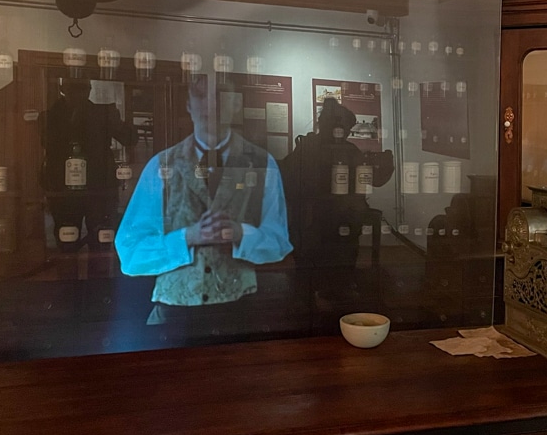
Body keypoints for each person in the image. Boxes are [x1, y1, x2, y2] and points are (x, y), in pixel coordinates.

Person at [115, 74, 292, 325]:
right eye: (199, 95)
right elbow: (130, 253)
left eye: (220, 94)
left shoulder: (263, 165)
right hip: (174, 315)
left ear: (236, 103)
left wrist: (240, 233)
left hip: (241, 311)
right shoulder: (161, 166)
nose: (211, 105)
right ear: (188, 103)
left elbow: (279, 242)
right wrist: (188, 237)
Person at [278, 97, 393, 269]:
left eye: (347, 130)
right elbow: (289, 180)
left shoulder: (341, 149)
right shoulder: (311, 147)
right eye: (344, 128)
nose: (344, 133)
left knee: (330, 264)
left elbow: (374, 180)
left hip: (330, 222)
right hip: (317, 221)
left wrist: (383, 166)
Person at [39, 76, 137, 250]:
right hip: (64, 190)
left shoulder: (103, 113)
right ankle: (69, 276)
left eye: (82, 89)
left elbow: (129, 138)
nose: (78, 94)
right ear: (63, 90)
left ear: (89, 90)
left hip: (98, 188)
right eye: (73, 89)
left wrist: (115, 121)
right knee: (67, 242)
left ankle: (98, 276)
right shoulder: (50, 115)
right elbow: (48, 145)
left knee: (101, 240)